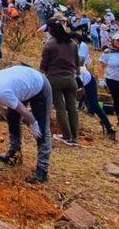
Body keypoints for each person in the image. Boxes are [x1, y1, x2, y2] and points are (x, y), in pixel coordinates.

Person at [0, 65, 53, 183]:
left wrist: (33, 123)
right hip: (22, 84)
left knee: (41, 128)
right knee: (12, 116)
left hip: (40, 86)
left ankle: (42, 170)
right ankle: (14, 155)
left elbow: (23, 110)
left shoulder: (2, 94)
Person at [40, 18, 80, 146]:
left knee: (60, 108)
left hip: (55, 78)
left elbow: (44, 65)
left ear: (51, 30)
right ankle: (75, 136)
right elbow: (77, 62)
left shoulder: (49, 44)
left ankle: (67, 136)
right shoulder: (73, 43)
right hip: (70, 78)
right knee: (72, 108)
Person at [73, 34, 116, 140]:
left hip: (88, 81)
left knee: (94, 105)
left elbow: (79, 93)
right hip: (78, 80)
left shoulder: (77, 74)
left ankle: (109, 127)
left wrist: (77, 103)